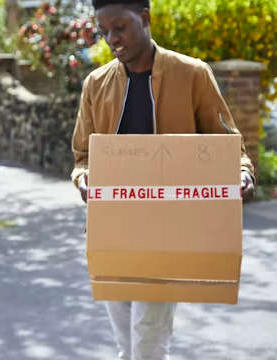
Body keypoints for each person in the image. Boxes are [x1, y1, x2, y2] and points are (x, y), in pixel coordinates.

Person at [71, 1, 255, 359]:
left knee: (147, 343)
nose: (112, 39)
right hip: (111, 232)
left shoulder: (192, 74)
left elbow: (227, 143)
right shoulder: (96, 84)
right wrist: (83, 181)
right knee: (128, 345)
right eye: (104, 30)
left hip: (168, 233)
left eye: (120, 27)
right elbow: (82, 158)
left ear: (145, 18)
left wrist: (242, 172)